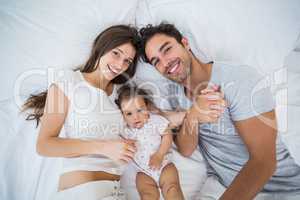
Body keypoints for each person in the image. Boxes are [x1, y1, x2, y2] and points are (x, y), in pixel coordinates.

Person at [139, 23, 300, 200]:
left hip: (281, 189)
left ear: (185, 43)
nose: (165, 62)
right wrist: (192, 116)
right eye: (156, 62)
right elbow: (186, 150)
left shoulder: (238, 79)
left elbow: (264, 162)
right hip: (221, 186)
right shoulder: (175, 95)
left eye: (167, 49)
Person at [22, 25, 141, 200]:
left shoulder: (118, 93)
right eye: (116, 53)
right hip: (85, 190)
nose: (120, 65)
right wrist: (103, 147)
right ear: (101, 47)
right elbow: (44, 145)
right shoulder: (70, 81)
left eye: (127, 61)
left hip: (117, 191)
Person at [115, 84, 185, 200]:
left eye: (139, 110)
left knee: (172, 188)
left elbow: (167, 135)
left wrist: (160, 154)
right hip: (143, 171)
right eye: (129, 113)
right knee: (147, 195)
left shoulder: (155, 121)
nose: (136, 117)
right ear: (122, 115)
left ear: (147, 108)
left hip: (164, 164)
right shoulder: (126, 131)